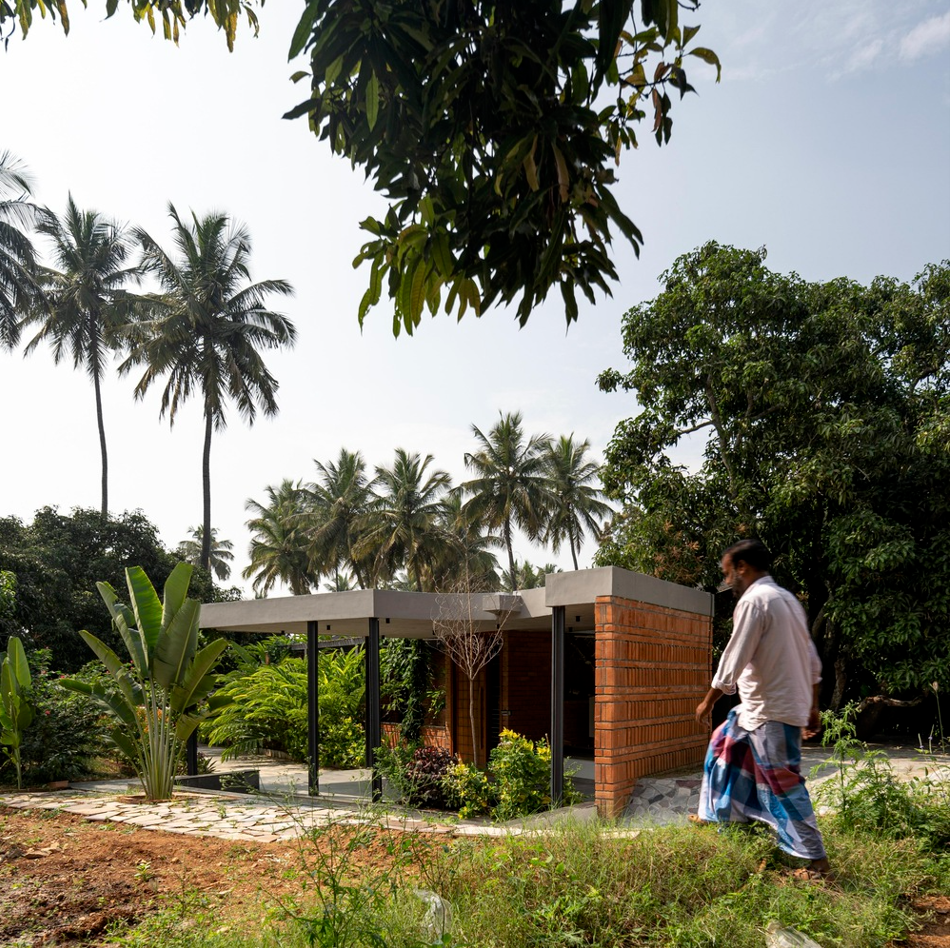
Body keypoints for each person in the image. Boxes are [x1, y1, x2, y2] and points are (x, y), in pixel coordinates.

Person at [693, 538, 830, 877]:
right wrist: (812, 707)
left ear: (743, 568)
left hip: (771, 712)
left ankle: (817, 862)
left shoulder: (756, 601)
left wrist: (708, 700)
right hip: (758, 710)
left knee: (783, 783)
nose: (727, 581)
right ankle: (725, 823)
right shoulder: (788, 601)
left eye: (728, 573)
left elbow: (734, 655)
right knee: (724, 747)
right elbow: (812, 660)